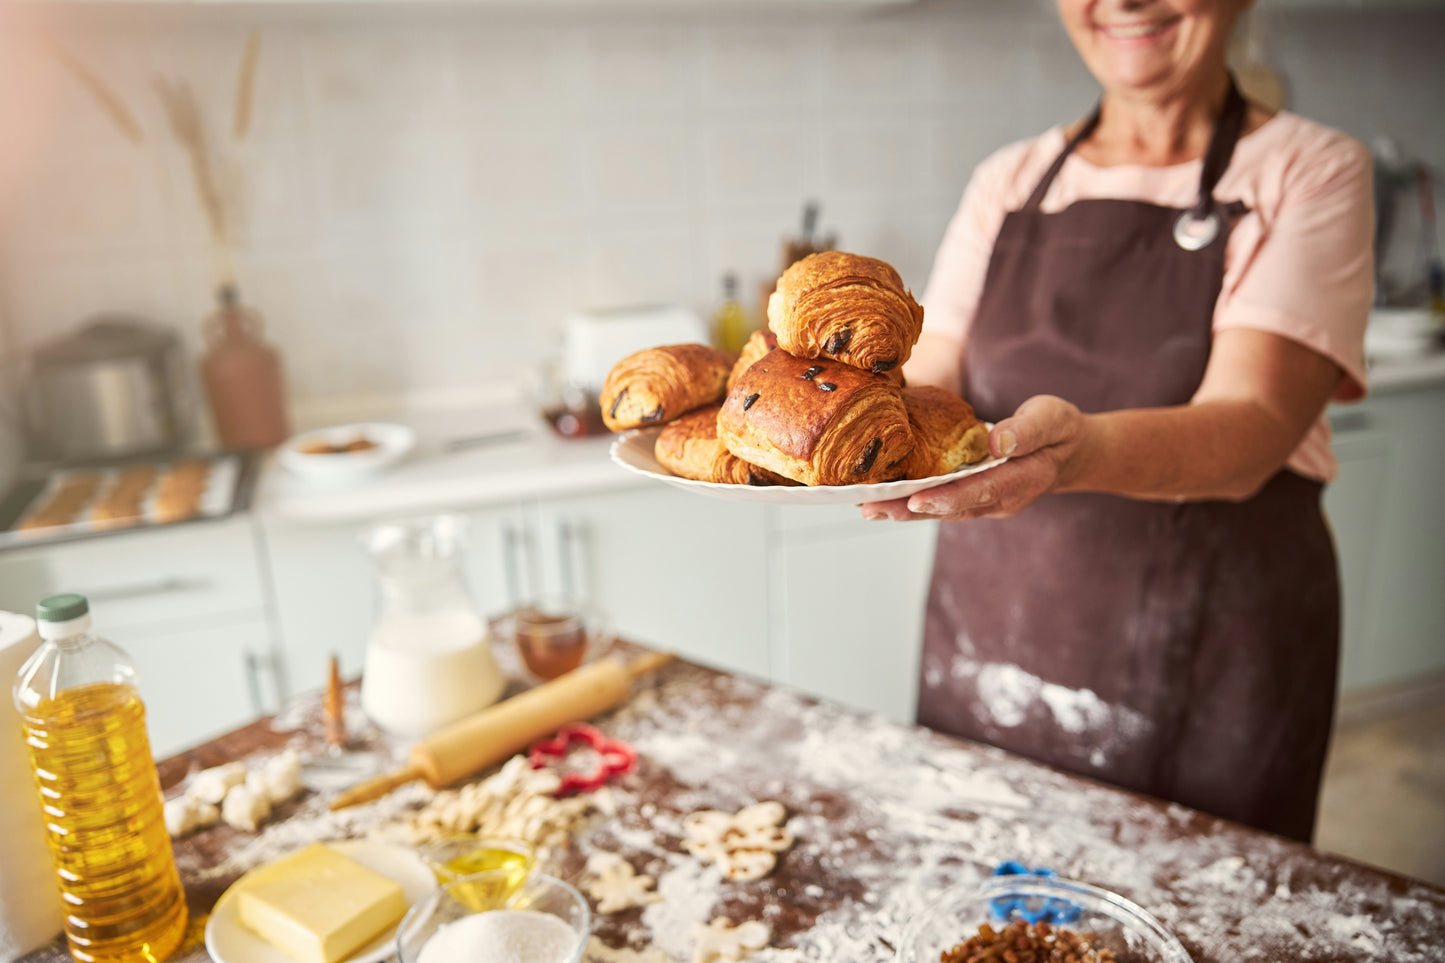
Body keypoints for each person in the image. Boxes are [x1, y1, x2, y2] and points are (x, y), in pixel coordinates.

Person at [862, 0, 1373, 843]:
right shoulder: (1010, 179)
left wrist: (1074, 453)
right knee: (984, 885)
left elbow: (1250, 428)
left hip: (1213, 655)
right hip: (995, 632)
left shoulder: (1309, 169)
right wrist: (836, 410)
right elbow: (933, 371)